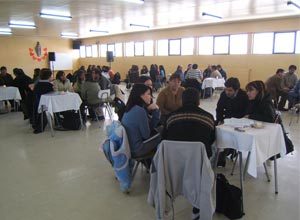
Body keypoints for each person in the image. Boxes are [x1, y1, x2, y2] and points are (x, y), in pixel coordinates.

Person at [163, 87, 215, 158]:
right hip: (200, 158)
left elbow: (164, 137)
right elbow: (212, 138)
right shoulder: (208, 118)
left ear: (182, 101)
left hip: (174, 158)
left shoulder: (171, 117)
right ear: (198, 101)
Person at [121, 84, 160, 158]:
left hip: (128, 147)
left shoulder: (130, 107)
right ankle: (156, 166)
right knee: (163, 134)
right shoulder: (140, 110)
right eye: (148, 94)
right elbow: (146, 135)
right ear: (140, 95)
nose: (151, 97)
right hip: (137, 150)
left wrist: (147, 109)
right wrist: (156, 112)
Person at [32, 68, 54, 133]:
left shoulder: (37, 84)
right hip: (46, 105)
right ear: (49, 76)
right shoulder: (49, 85)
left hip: (37, 103)